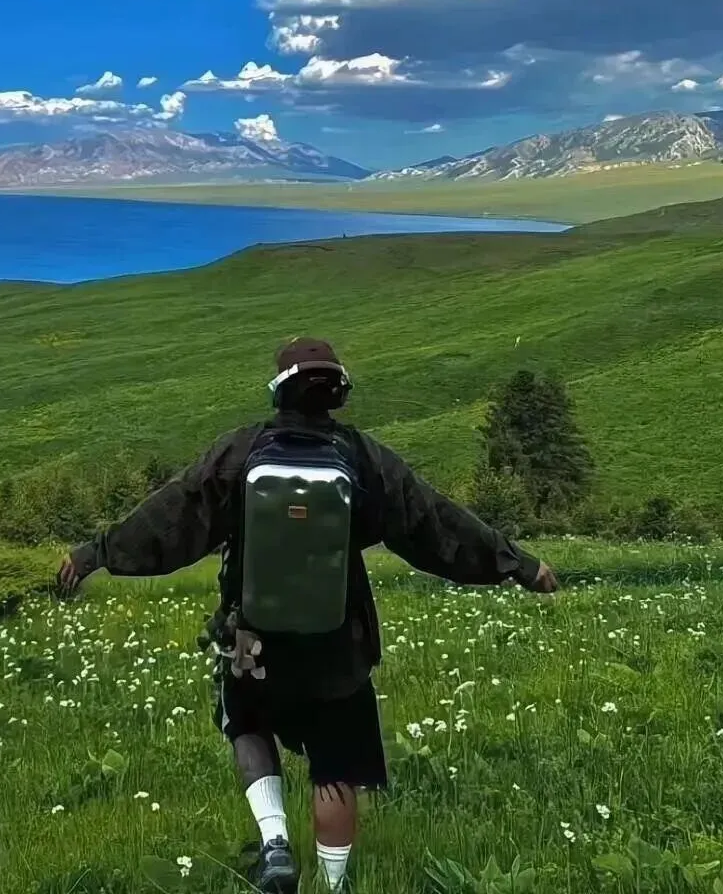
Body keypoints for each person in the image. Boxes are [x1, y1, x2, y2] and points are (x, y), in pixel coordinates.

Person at [55, 338, 559, 893]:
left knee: (246, 723)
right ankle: (334, 885)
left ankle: (275, 843)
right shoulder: (363, 457)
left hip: (253, 635)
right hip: (337, 640)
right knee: (335, 760)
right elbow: (435, 522)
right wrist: (518, 564)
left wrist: (95, 552)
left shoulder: (240, 451)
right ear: (337, 392)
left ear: (280, 390)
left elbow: (170, 516)